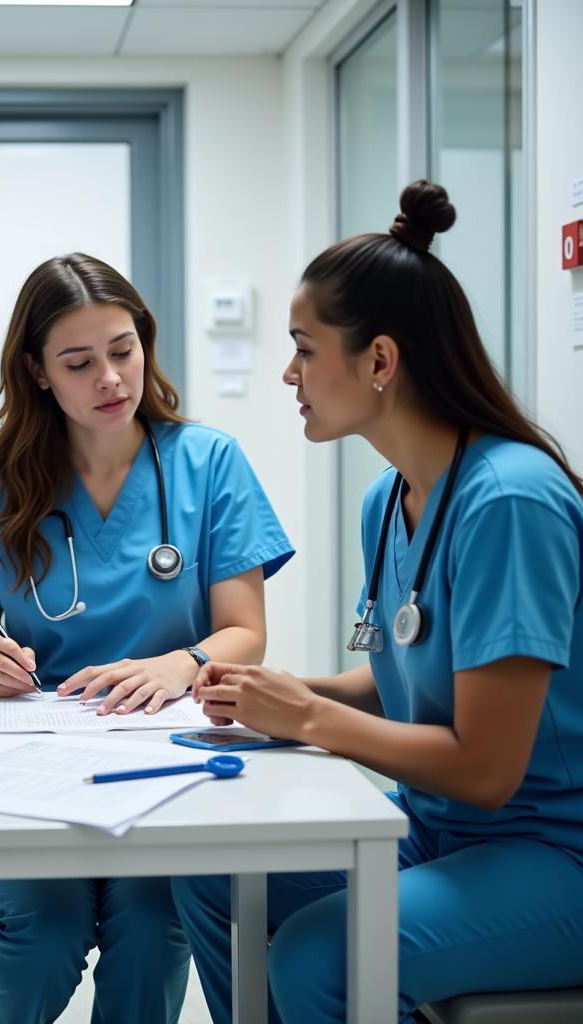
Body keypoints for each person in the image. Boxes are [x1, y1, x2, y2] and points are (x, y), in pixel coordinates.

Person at [172, 180, 583, 1023]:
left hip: (552, 850)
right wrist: (274, 696)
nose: (288, 373)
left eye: (303, 348)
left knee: (325, 955)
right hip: (441, 831)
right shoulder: (387, 503)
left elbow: (486, 765)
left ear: (381, 362)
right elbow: (394, 682)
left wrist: (308, 720)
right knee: (210, 871)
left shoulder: (510, 501)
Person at [0, 252, 294, 1023]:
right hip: (30, 759)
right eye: (79, 362)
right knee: (45, 926)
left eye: (123, 350)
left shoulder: (207, 462)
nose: (111, 380)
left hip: (165, 759)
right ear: (37, 371)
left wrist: (181, 662)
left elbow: (245, 632)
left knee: (155, 926)